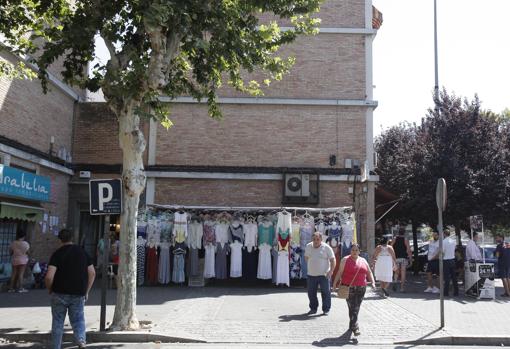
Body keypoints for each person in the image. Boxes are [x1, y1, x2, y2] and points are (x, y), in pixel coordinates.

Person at [45, 229, 95, 349]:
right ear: (72, 238)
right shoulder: (83, 252)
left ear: (60, 239)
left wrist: (50, 289)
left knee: (57, 322)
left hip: (58, 293)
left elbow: (49, 276)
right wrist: (86, 291)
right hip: (78, 293)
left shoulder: (57, 254)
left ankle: (56, 346)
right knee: (78, 320)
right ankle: (81, 341)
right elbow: (92, 273)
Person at [333, 244, 375, 336]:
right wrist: (334, 284)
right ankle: (355, 327)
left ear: (359, 251)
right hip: (348, 287)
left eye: (356, 250)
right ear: (350, 251)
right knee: (353, 308)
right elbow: (339, 272)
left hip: (361, 288)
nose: (354, 252)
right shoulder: (345, 260)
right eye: (353, 250)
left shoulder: (363, 260)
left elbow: (369, 272)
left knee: (355, 308)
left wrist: (373, 282)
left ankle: (351, 324)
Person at [304, 231, 336, 315]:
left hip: (324, 275)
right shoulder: (308, 246)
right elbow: (306, 257)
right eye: (314, 239)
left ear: (321, 239)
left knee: (325, 292)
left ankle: (326, 309)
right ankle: (313, 308)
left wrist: (331, 271)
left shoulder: (326, 247)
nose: (316, 241)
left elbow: (333, 260)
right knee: (311, 293)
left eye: (318, 239)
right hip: (311, 275)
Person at [390, 228, 412, 292]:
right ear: (404, 233)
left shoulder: (394, 238)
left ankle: (395, 281)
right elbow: (408, 250)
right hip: (403, 258)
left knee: (396, 271)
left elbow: (390, 247)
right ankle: (402, 288)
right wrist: (410, 259)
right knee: (403, 272)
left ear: (398, 232)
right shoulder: (405, 239)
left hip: (396, 258)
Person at [442, 229, 459, 297]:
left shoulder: (443, 242)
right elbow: (454, 249)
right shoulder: (453, 241)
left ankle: (446, 293)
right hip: (452, 260)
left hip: (446, 260)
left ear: (444, 234)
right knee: (454, 277)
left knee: (447, 278)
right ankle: (456, 292)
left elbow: (443, 252)